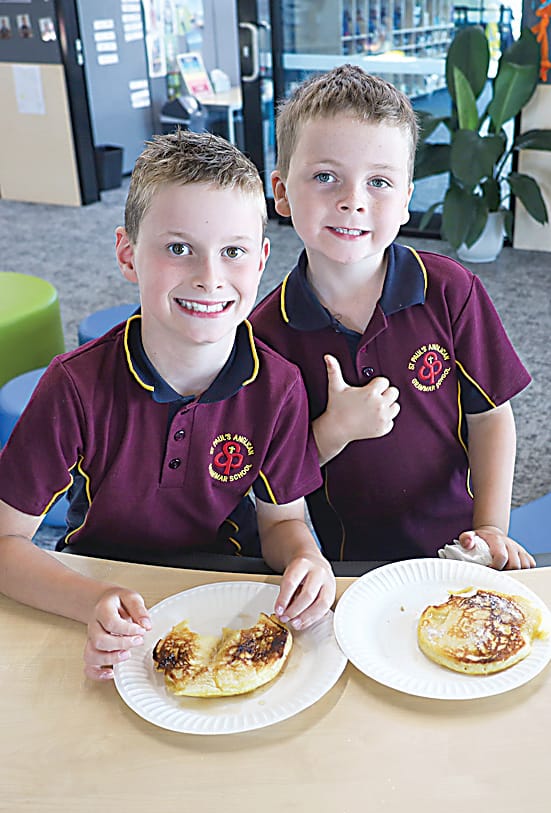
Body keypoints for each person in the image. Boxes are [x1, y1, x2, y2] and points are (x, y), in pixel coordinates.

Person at [0, 130, 335, 680]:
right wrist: (92, 600)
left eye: (233, 251)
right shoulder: (74, 386)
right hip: (103, 596)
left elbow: (282, 522)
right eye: (179, 248)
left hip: (228, 601)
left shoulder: (279, 386)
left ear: (261, 260)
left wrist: (306, 558)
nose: (209, 278)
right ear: (128, 254)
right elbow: (7, 541)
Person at [251, 64, 534, 571]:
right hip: (348, 564)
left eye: (378, 182)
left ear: (406, 201)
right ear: (282, 192)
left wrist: (491, 527)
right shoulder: (265, 335)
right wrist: (334, 430)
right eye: (324, 176)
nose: (352, 201)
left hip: (462, 549)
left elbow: (491, 416)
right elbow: (270, 481)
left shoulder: (451, 291)